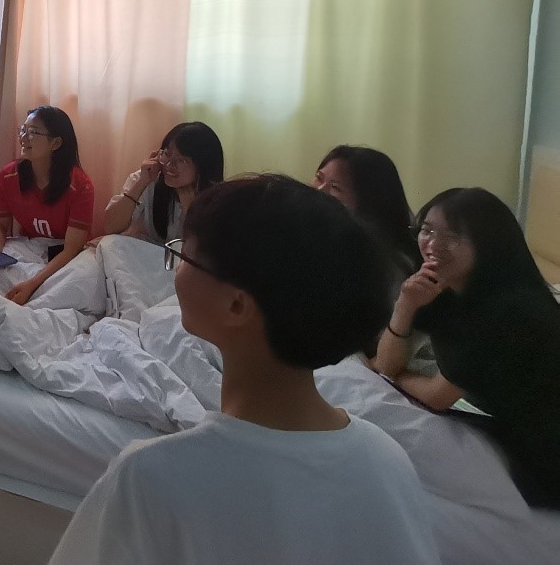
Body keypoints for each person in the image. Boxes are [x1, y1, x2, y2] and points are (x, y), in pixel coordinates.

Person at [50, 175, 440, 565]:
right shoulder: (386, 459)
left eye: (185, 256)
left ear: (236, 306)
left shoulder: (153, 477)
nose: (176, 269)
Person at [373, 188, 560, 509]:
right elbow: (386, 365)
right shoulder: (444, 285)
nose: (432, 245)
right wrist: (405, 305)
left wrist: (397, 375)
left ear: (489, 244)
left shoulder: (509, 311)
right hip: (508, 422)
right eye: (427, 230)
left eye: (453, 236)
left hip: (545, 453)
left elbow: (435, 395)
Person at [0, 106, 95, 306]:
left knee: (76, 285)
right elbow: (0, 224)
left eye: (33, 132)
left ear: (56, 143)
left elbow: (71, 249)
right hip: (29, 248)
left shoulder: (81, 186)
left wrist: (32, 285)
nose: (23, 137)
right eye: (23, 130)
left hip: (66, 258)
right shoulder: (8, 176)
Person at [314, 145, 420, 287]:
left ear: (368, 202)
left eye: (335, 187)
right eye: (319, 178)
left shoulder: (386, 267)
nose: (319, 190)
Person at [100, 121, 223, 241]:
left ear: (203, 167)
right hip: (148, 250)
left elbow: (207, 249)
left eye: (181, 160)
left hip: (185, 255)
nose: (169, 165)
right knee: (109, 243)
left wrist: (189, 210)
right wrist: (141, 183)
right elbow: (110, 227)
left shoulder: (217, 198)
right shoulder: (147, 178)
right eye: (167, 154)